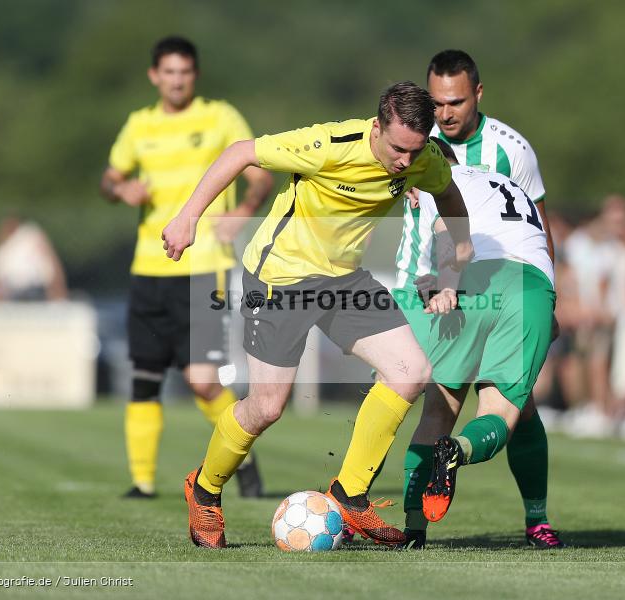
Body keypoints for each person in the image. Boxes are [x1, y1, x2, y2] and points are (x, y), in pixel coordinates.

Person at [162, 81, 473, 548]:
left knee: (411, 371)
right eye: (397, 149)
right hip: (281, 278)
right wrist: (188, 217)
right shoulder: (329, 145)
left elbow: (449, 197)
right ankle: (204, 490)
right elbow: (240, 151)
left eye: (414, 151)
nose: (405, 162)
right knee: (267, 407)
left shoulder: (422, 158)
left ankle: (350, 495)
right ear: (376, 126)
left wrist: (456, 253)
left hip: (344, 280)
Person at [393, 50, 563, 549]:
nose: (444, 113)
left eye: (455, 102)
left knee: (438, 404)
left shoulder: (511, 149)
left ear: (478, 94)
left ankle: (412, 528)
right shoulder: (415, 141)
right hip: (513, 281)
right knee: (506, 408)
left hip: (464, 280)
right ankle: (481, 481)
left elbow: (463, 230)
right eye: (436, 103)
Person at [100, 36, 274, 499]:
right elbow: (109, 179)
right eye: (169, 72)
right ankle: (141, 482)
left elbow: (261, 174)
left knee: (202, 380)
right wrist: (121, 191)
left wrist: (243, 211)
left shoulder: (219, 117)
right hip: (148, 267)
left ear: (194, 75)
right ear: (155, 76)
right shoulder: (139, 125)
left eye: (185, 72)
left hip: (203, 269)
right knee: (145, 378)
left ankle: (245, 458)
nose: (177, 80)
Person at [0, 216, 68, 301]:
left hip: (36, 291)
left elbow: (51, 264)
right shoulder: (0, 254)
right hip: (12, 295)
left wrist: (59, 293)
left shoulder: (30, 236)